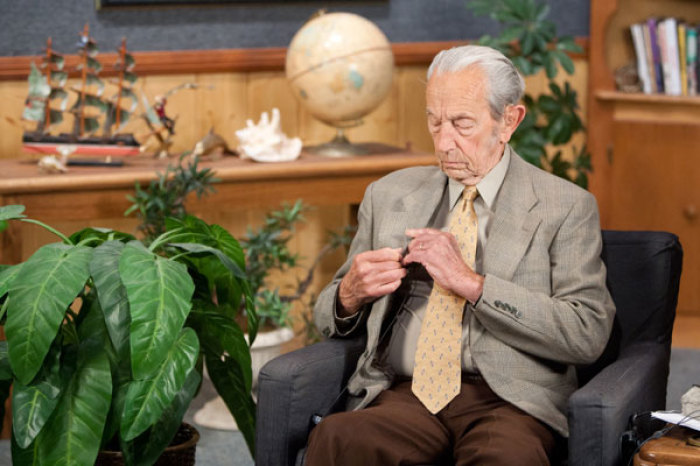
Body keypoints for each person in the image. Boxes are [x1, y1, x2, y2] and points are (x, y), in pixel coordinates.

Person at [305, 45, 616, 465]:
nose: (444, 142)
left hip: (509, 401)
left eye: (461, 123)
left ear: (509, 120)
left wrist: (472, 285)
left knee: (507, 459)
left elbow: (587, 332)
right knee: (339, 438)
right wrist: (349, 295)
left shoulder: (565, 207)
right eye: (434, 122)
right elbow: (326, 315)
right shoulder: (389, 195)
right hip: (405, 393)